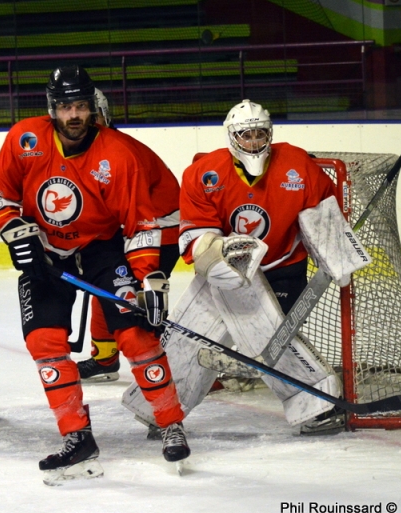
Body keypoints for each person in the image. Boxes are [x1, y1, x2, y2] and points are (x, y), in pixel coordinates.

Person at [0, 65, 190, 482]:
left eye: (80, 106)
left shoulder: (119, 155)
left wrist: (149, 279)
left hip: (101, 247)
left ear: (91, 108)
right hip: (45, 249)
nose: (73, 115)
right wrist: (15, 230)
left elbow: (140, 227)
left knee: (135, 333)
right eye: (65, 107)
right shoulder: (24, 139)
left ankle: (170, 422)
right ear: (52, 109)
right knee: (44, 341)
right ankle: (77, 436)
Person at [122, 99, 372, 435]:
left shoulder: (298, 165)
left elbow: (322, 213)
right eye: (246, 134)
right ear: (232, 136)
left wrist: (337, 254)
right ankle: (159, 407)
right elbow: (197, 232)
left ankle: (316, 407)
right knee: (188, 334)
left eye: (259, 133)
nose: (253, 141)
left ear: (269, 134)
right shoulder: (203, 173)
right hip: (226, 271)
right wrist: (211, 261)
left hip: (282, 267)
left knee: (267, 338)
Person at [76, 88, 181, 385]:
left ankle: (169, 362)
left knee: (133, 299)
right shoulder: (88, 151)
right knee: (104, 290)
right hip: (133, 228)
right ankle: (104, 359)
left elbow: (138, 211)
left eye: (92, 116)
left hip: (159, 232)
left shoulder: (119, 151)